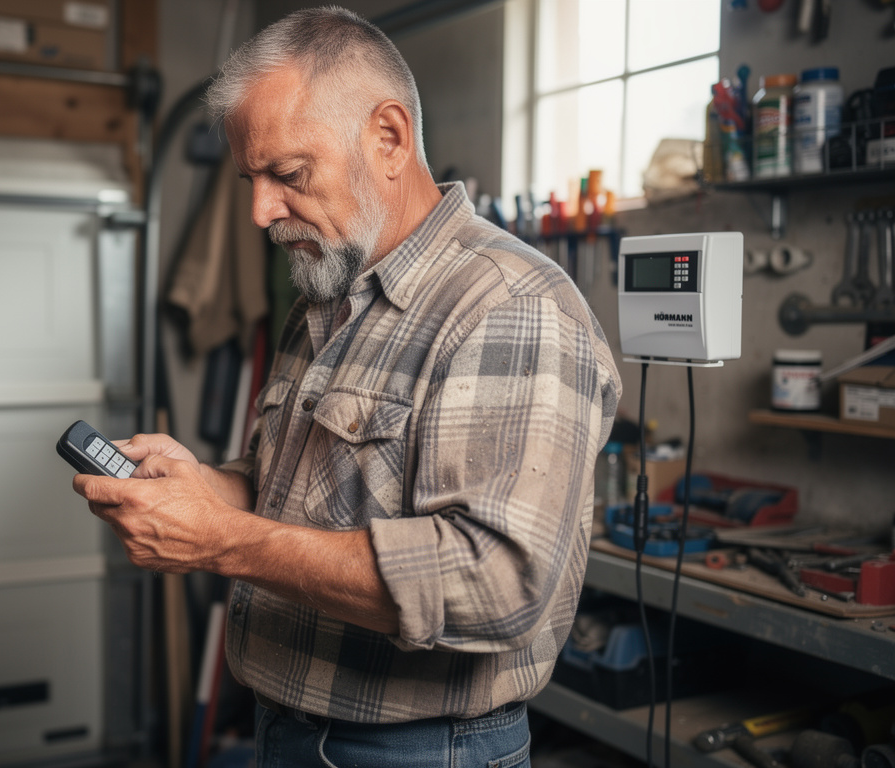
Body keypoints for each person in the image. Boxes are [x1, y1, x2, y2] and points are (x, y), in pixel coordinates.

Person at [73, 7, 622, 766]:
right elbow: (294, 493)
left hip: (420, 751)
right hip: (289, 730)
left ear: (388, 138)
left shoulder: (511, 306)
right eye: (252, 180)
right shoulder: (326, 293)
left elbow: (497, 585)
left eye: (289, 175)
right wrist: (202, 490)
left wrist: (224, 542)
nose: (262, 211)